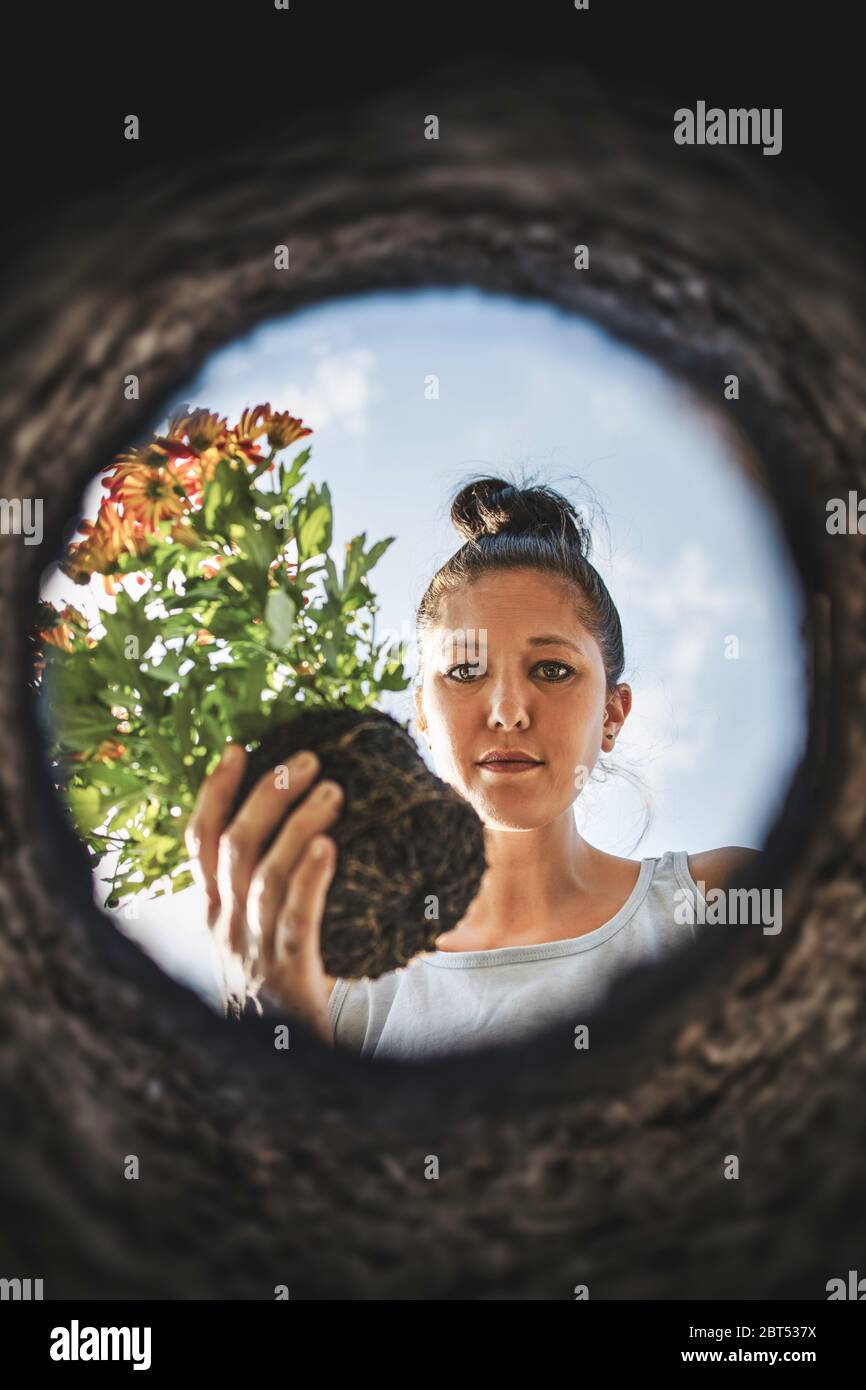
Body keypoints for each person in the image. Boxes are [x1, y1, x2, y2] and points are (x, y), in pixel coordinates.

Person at [186, 475, 759, 1058]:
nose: (508, 712)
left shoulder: (720, 905)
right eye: (464, 672)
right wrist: (269, 1033)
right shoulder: (329, 985)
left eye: (552, 670)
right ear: (424, 717)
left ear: (612, 714)